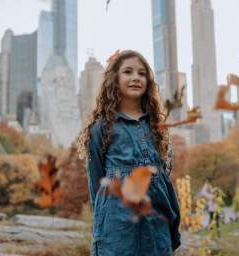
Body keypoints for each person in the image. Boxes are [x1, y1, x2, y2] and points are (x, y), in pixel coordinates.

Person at [77, 50, 181, 255]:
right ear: (114, 79)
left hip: (156, 224)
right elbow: (96, 183)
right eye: (128, 72)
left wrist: (172, 224)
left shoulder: (157, 128)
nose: (136, 77)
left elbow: (165, 180)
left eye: (142, 73)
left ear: (148, 81)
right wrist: (100, 228)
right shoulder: (101, 128)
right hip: (118, 227)